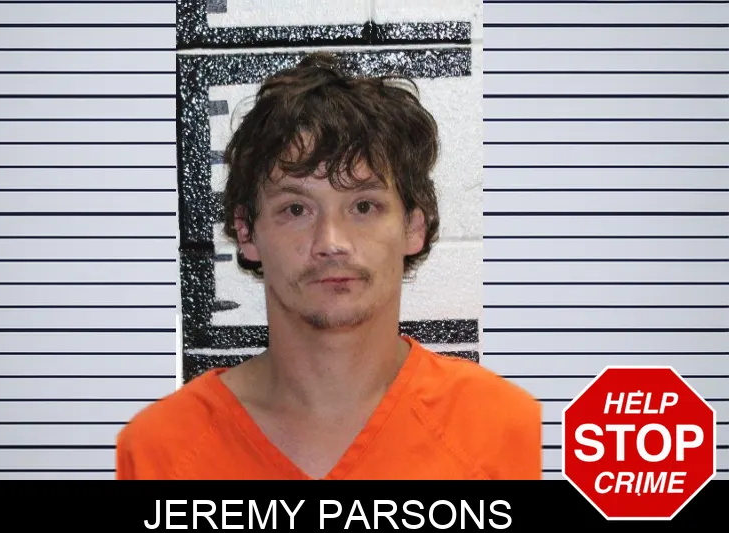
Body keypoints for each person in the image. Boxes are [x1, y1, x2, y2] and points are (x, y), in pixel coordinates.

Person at [116, 52, 542, 480]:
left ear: (414, 226)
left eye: (364, 206)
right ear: (246, 233)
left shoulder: (507, 432)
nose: (331, 243)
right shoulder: (157, 451)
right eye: (296, 209)